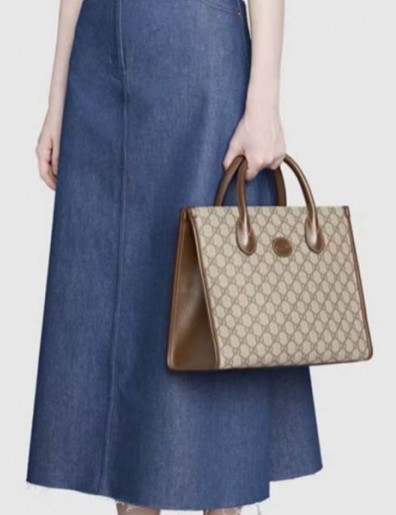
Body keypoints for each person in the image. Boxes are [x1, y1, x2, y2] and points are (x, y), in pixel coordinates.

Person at [27, 1, 322, 514]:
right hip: (97, 63)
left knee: (214, 307)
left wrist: (264, 100)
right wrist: (57, 98)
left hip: (197, 51)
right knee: (119, 315)